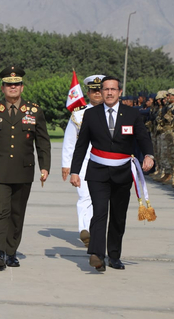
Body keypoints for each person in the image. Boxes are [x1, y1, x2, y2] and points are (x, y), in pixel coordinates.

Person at [70, 76, 154, 272]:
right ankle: (97, 255)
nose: (109, 93)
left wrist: (149, 155)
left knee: (118, 216)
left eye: (113, 89)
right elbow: (81, 145)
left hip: (123, 172)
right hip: (97, 172)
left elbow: (143, 138)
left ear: (119, 92)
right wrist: (75, 171)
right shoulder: (91, 115)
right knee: (99, 212)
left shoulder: (132, 114)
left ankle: (114, 256)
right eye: (105, 89)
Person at [0, 66, 51, 270]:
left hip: (23, 170)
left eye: (16, 84)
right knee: (1, 209)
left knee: (17, 213)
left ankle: (11, 252)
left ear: (22, 88)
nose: (13, 88)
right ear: (3, 88)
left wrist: (45, 167)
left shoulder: (34, 111)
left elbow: (43, 142)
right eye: (9, 84)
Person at [61, 74, 105, 247]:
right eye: (93, 90)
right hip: (85, 161)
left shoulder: (114, 112)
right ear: (88, 92)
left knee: (101, 200)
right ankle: (85, 230)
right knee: (85, 196)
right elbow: (69, 140)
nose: (97, 93)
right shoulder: (78, 114)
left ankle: (96, 229)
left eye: (99, 90)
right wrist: (67, 164)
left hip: (106, 161)